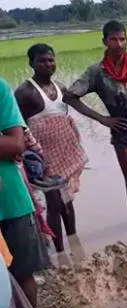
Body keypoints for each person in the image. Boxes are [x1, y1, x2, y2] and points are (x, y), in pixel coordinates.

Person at [63, 20, 127, 238]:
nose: (119, 44)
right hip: (122, 133)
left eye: (122, 39)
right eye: (113, 39)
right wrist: (102, 118)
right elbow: (70, 96)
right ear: (105, 41)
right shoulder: (97, 72)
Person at [14, 44, 88, 257]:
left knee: (68, 200)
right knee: (54, 203)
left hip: (64, 150)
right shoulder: (25, 92)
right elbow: (18, 125)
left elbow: (68, 114)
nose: (47, 64)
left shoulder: (61, 88)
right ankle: (60, 252)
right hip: (42, 154)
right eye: (42, 61)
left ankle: (75, 244)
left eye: (50, 60)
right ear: (32, 64)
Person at [0, 76, 51, 308]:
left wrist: (8, 145)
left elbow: (16, 144)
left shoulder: (0, 88)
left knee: (23, 275)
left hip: (10, 202)